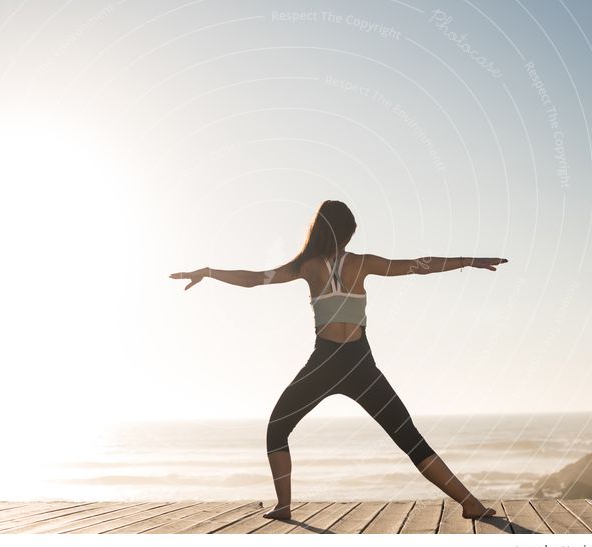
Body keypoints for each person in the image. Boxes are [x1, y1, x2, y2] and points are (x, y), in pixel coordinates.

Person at [169, 200, 508, 521]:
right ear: (346, 232)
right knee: (409, 438)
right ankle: (471, 504)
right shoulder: (362, 263)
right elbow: (419, 266)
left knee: (277, 430)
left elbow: (254, 279)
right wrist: (468, 260)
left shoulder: (307, 267)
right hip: (360, 363)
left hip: (327, 362)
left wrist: (209, 271)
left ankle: (284, 506)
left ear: (319, 230)